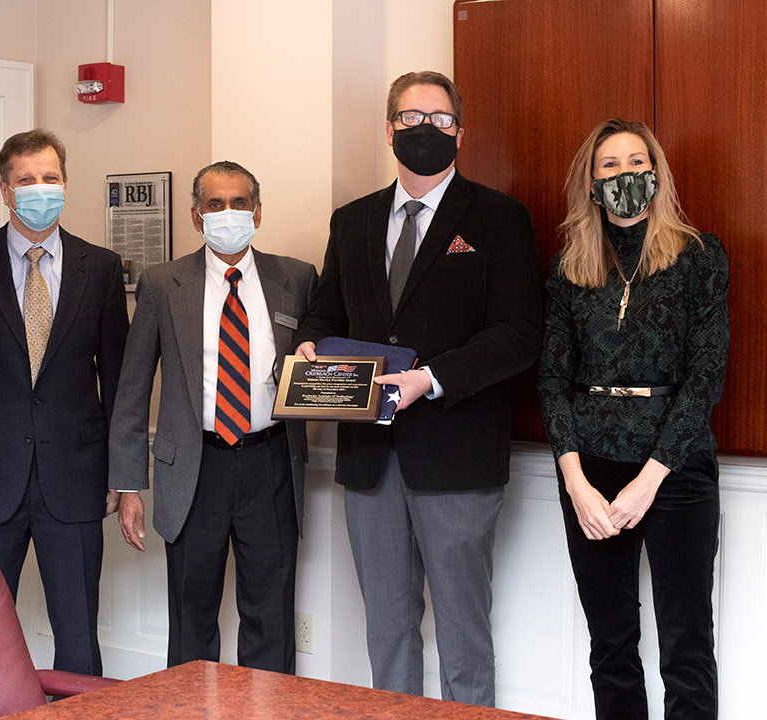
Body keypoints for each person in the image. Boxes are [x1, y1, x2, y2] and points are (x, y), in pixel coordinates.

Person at [293, 71, 542, 704]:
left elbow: (519, 334)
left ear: (460, 130)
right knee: (388, 629)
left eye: (437, 117)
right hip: (370, 462)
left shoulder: (499, 218)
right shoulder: (352, 221)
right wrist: (309, 346)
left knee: (463, 632)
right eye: (409, 117)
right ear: (388, 130)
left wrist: (429, 379)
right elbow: (326, 313)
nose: (423, 129)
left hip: (457, 457)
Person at [538, 118, 729, 720]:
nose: (626, 175)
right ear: (590, 184)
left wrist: (649, 480)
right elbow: (551, 379)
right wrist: (576, 484)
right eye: (611, 166)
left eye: (637, 163)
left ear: (657, 172)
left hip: (676, 472)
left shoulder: (700, 258)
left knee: (686, 645)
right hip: (590, 475)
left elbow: (706, 377)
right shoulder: (570, 268)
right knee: (611, 646)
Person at [0, 129, 128, 676]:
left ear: (65, 183)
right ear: (5, 190)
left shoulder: (101, 269)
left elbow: (119, 383)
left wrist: (121, 471)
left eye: (51, 178)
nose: (41, 190)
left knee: (79, 632)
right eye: (27, 180)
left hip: (78, 475)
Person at [109, 161, 317, 673]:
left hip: (270, 465)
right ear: (198, 217)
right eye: (216, 205)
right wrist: (129, 484)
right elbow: (132, 389)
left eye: (240, 203)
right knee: (191, 614)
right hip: (193, 468)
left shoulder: (296, 277)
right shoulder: (162, 283)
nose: (229, 213)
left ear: (259, 212)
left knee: (271, 615)